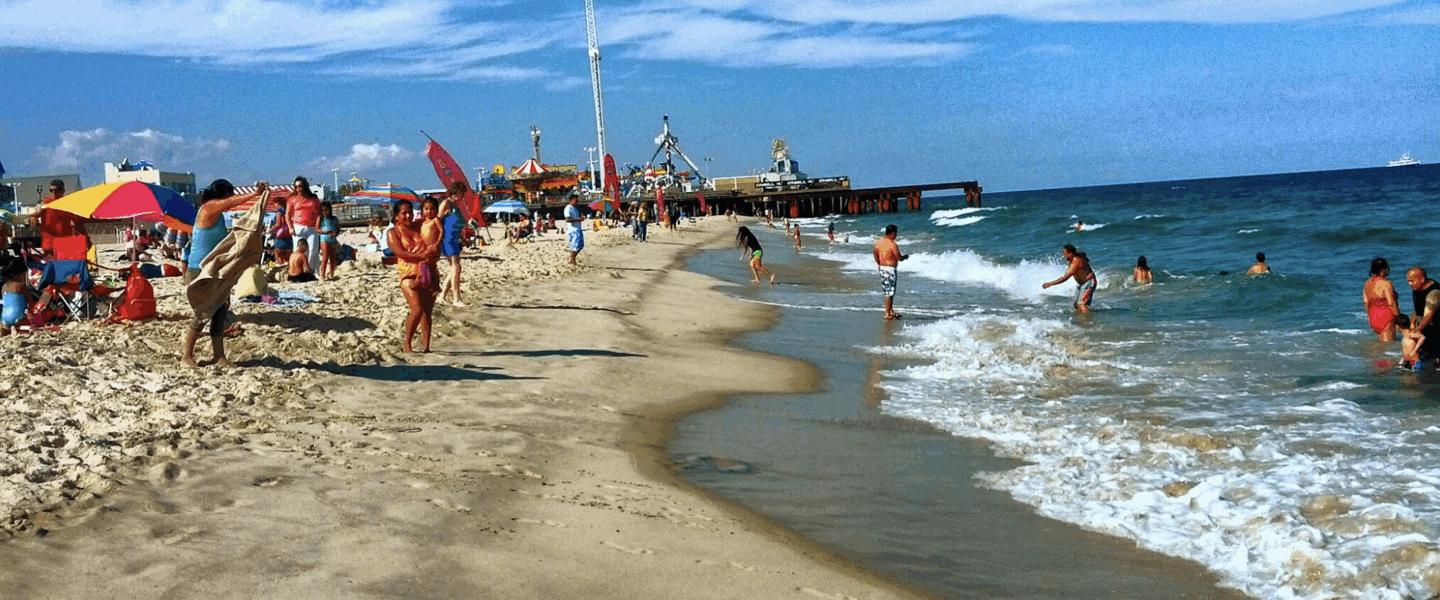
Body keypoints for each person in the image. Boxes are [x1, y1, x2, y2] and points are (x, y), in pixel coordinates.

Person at [181, 179, 267, 367]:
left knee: (219, 314)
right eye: (229, 195)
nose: (230, 199)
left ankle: (218, 356)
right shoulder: (208, 208)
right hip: (198, 270)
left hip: (214, 270)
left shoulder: (218, 214)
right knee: (203, 314)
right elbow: (231, 203)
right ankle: (186, 356)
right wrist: (255, 194)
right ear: (223, 195)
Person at [387, 200, 440, 353]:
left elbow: (434, 225)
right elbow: (400, 253)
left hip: (427, 269)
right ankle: (407, 343)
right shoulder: (393, 232)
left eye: (410, 212)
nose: (408, 216)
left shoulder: (419, 226)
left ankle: (426, 347)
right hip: (408, 273)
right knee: (416, 309)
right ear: (396, 216)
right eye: (404, 213)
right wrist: (422, 254)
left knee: (427, 311)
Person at [1042, 243, 1096, 313]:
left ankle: (1089, 322)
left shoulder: (1075, 262)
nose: (1064, 256)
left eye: (1065, 254)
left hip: (1089, 282)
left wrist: (1050, 284)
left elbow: (1065, 278)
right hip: (1082, 283)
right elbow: (1083, 255)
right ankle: (1083, 319)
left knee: (1081, 304)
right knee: (1076, 305)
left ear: (1070, 254)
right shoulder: (1075, 257)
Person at [437, 182, 467, 306]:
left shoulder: (454, 205)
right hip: (448, 239)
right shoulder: (446, 204)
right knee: (456, 267)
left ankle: (442, 296)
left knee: (454, 268)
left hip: (455, 239)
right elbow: (437, 220)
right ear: (455, 192)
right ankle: (456, 299)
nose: (463, 196)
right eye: (462, 193)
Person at [287, 176, 322, 276]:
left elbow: (319, 214)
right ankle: (298, 271)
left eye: (301, 186)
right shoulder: (292, 199)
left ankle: (312, 271)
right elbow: (288, 215)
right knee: (298, 250)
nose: (299, 189)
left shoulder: (314, 199)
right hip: (298, 227)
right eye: (297, 187)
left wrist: (317, 226)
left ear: (305, 186)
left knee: (313, 249)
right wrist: (290, 227)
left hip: (312, 227)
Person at [1405, 267, 1440, 368]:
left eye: (1412, 281)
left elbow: (1428, 315)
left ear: (1422, 280)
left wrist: (1418, 329)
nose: (1410, 284)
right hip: (1425, 326)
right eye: (1408, 281)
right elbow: (1418, 307)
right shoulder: (1417, 288)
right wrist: (1412, 323)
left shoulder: (1434, 293)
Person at [873, 224, 908, 320]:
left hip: (883, 268)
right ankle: (887, 313)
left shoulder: (878, 242)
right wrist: (904, 257)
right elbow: (898, 257)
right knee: (889, 292)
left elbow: (875, 255)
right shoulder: (892, 244)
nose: (896, 235)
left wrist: (879, 264)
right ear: (892, 233)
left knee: (888, 290)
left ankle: (890, 310)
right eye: (896, 233)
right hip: (890, 269)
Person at [1364, 258, 1401, 341]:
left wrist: (1370, 317)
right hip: (1386, 315)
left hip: (1373, 315)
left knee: (1380, 343)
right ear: (1383, 269)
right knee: (1389, 345)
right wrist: (1399, 319)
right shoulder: (1386, 283)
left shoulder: (1367, 283)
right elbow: (1391, 303)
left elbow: (1366, 302)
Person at [317, 202, 340, 280]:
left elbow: (338, 229)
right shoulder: (320, 218)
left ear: (330, 210)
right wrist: (325, 231)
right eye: (323, 210)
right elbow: (317, 229)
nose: (324, 212)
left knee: (333, 258)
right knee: (325, 257)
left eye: (326, 210)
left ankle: (331, 274)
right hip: (324, 239)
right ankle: (322, 275)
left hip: (333, 239)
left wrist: (336, 233)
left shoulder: (334, 219)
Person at [564, 193, 584, 265]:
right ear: (571, 200)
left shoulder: (576, 208)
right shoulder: (568, 208)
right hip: (572, 229)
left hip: (578, 228)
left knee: (580, 246)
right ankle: (573, 260)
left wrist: (580, 218)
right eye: (576, 200)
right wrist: (578, 219)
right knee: (574, 245)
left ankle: (572, 258)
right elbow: (567, 219)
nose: (577, 202)